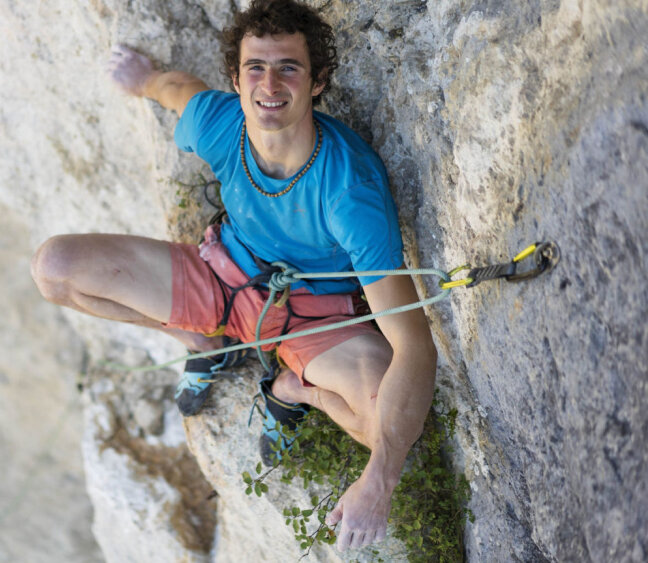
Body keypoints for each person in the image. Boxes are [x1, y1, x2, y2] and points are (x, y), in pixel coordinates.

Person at [30, 0, 437, 552]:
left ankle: (297, 390)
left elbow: (413, 344)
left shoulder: (349, 190)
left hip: (315, 319)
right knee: (53, 270)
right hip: (221, 277)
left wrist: (378, 484)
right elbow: (178, 90)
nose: (269, 84)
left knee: (384, 422)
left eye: (289, 68)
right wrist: (143, 80)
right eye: (255, 68)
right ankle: (202, 342)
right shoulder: (222, 125)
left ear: (317, 82)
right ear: (236, 79)